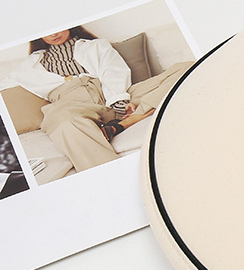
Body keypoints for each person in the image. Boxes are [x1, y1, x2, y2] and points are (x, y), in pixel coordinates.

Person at [11, 26, 191, 173]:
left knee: (186, 69)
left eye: (58, 27)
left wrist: (119, 101)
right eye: (46, 30)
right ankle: (115, 176)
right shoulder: (27, 66)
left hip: (115, 94)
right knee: (63, 120)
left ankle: (129, 119)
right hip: (71, 103)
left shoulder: (96, 46)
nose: (54, 34)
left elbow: (113, 71)